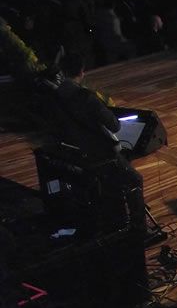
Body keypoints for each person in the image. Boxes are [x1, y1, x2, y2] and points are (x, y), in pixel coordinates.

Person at [48, 53, 145, 231]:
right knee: (134, 179)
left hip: (73, 151)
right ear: (82, 71)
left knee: (112, 180)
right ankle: (138, 230)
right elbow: (114, 125)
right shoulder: (85, 96)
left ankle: (117, 220)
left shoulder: (55, 96)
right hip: (98, 153)